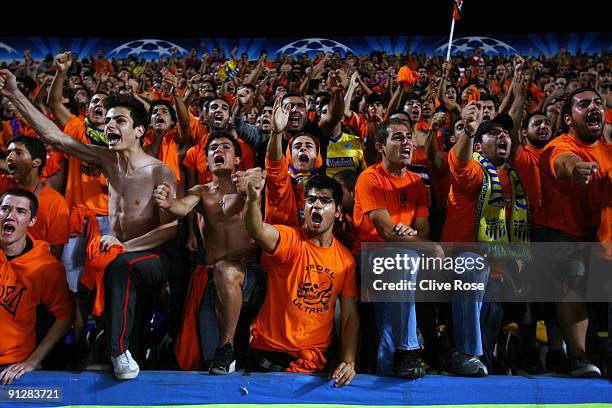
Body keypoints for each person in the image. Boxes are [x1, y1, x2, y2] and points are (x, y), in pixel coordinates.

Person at [0, 69, 178, 380]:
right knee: (105, 271)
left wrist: (125, 245)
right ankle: (110, 348)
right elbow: (54, 136)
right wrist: (14, 95)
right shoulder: (108, 161)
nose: (110, 125)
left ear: (139, 131)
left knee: (120, 265)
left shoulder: (158, 171)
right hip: (120, 254)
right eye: (108, 120)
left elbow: (170, 229)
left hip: (154, 256)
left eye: (119, 120)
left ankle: (117, 351)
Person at [154, 131, 263, 374]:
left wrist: (253, 186)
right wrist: (168, 202)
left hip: (249, 276)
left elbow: (238, 200)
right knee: (206, 360)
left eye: (225, 147)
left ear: (237, 159)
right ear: (207, 160)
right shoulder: (200, 191)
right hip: (212, 279)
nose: (218, 151)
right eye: (213, 148)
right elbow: (182, 208)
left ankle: (227, 349)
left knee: (227, 271)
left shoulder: (249, 183)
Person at [244, 170, 359, 387]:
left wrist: (348, 360)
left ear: (337, 211)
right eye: (311, 200)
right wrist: (252, 199)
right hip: (269, 355)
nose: (316, 205)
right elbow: (256, 230)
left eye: (325, 201)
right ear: (304, 207)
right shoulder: (290, 240)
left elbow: (350, 317)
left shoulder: (346, 260)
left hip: (315, 364)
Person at [441, 103, 530, 376]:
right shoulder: (476, 170)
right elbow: (460, 166)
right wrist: (468, 133)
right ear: (479, 146)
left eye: (505, 132)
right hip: (458, 261)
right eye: (493, 133)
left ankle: (500, 355)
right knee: (475, 267)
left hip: (499, 269)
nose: (502, 136)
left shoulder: (516, 179)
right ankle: (464, 353)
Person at [534, 87, 611, 377]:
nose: (594, 108)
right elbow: (563, 163)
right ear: (568, 118)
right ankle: (577, 357)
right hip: (555, 235)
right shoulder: (560, 145)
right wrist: (577, 169)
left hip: (595, 239)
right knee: (572, 265)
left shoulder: (609, 151)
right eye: (584, 104)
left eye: (598, 103)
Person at [353, 118, 438, 379]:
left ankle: (391, 364)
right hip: (367, 256)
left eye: (409, 137)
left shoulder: (416, 183)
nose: (407, 142)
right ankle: (408, 350)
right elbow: (386, 233)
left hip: (405, 256)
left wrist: (412, 238)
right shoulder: (370, 178)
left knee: (404, 264)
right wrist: (428, 247)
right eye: (398, 138)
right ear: (381, 147)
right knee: (402, 261)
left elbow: (423, 231)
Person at [0, 189, 74, 385]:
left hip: (10, 366)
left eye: (20, 211)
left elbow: (65, 317)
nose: (10, 216)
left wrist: (34, 360)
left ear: (32, 221)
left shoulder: (46, 267)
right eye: (5, 209)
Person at [0, 136, 70, 259]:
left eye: (18, 153)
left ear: (36, 162)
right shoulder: (2, 184)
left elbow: (55, 252)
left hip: (32, 270)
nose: (9, 157)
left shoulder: (56, 203)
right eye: (8, 153)